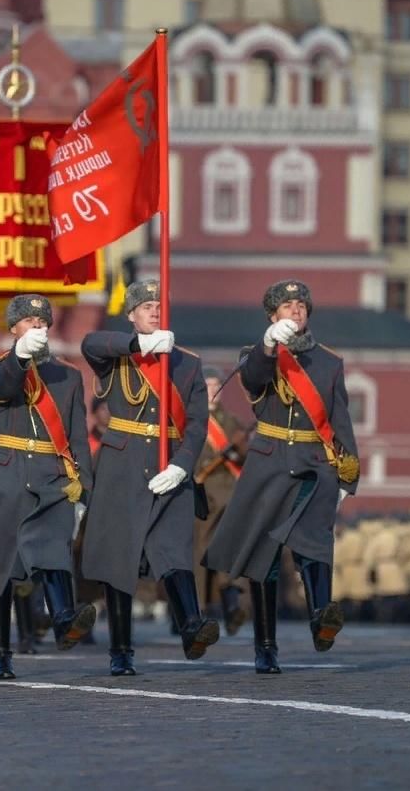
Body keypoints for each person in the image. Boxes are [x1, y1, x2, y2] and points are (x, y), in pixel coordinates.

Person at [204, 280, 359, 674]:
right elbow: (255, 380)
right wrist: (269, 345)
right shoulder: (255, 355)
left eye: (301, 305)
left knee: (316, 542)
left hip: (314, 460)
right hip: (269, 461)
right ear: (273, 315)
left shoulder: (329, 361)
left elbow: (340, 420)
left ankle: (322, 617)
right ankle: (266, 647)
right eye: (287, 306)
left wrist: (347, 474)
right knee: (264, 558)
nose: (296, 311)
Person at [0, 294, 96, 680]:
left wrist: (84, 491)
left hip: (52, 471)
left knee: (54, 545)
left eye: (42, 321)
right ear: (13, 328)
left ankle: (64, 616)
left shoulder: (68, 375)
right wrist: (18, 357)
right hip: (7, 471)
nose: (38, 326)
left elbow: (78, 436)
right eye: (29, 321)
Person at [80, 280, 216, 676]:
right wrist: (138, 347)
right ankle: (120, 650)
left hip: (168, 465)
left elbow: (196, 426)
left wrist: (182, 465)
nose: (154, 311)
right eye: (146, 306)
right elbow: (90, 343)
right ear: (132, 315)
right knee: (118, 560)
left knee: (173, 547)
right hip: (122, 467)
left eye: (159, 305)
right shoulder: (117, 356)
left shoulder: (187, 363)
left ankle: (192, 623)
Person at [194, 366, 249, 634]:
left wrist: (235, 453)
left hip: (229, 492)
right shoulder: (191, 420)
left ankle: (232, 605)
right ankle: (199, 609)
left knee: (230, 549)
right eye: (208, 386)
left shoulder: (232, 423)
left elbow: (245, 456)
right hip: (203, 493)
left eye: (217, 386)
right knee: (200, 553)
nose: (214, 390)